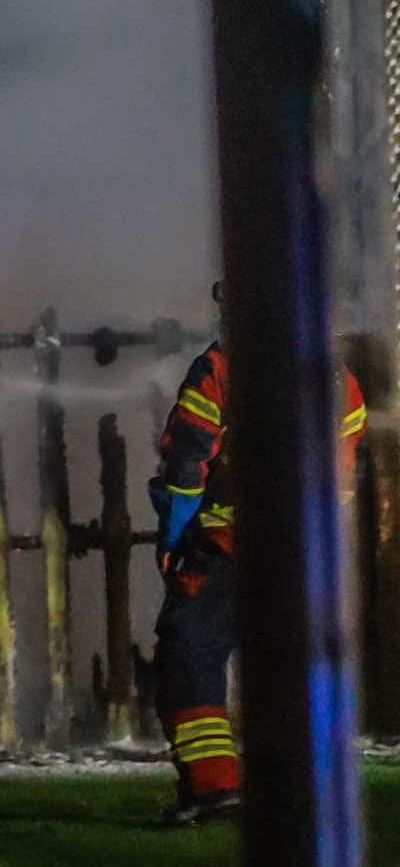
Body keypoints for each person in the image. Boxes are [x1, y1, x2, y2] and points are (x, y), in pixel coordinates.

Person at [148, 301, 369, 824]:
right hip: (299, 555)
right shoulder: (341, 384)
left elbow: (185, 465)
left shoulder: (220, 370)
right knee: (292, 670)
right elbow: (340, 480)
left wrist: (174, 537)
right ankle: (304, 794)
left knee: (189, 656)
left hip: (225, 546)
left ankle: (215, 787)